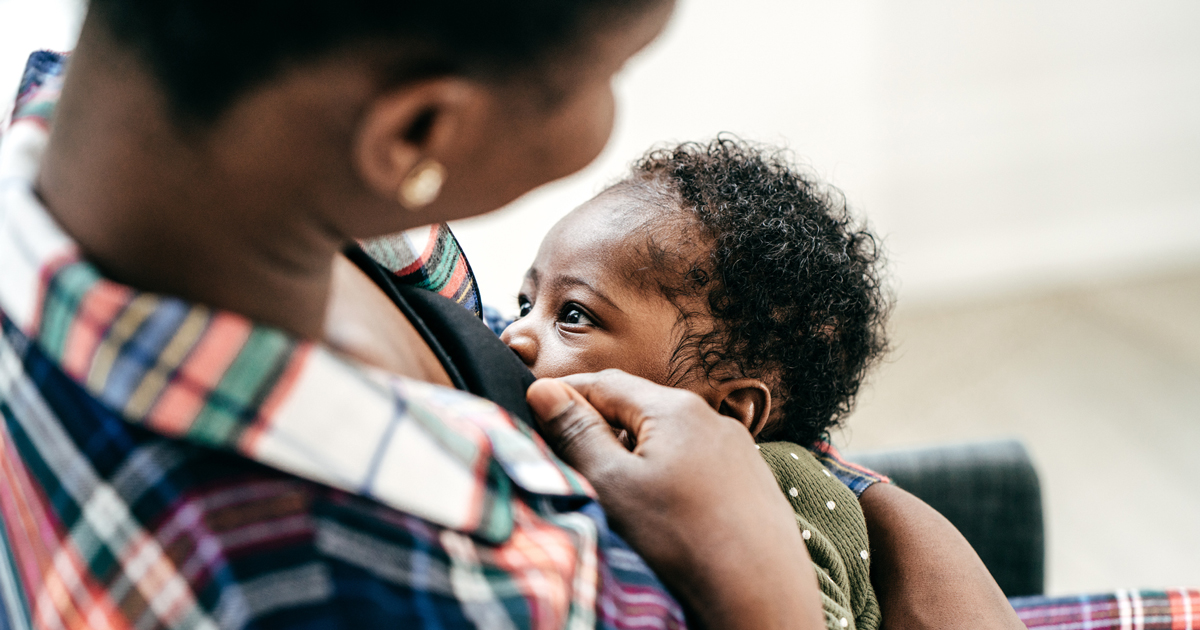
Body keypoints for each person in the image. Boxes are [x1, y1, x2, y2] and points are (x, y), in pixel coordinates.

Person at [0, 1, 1026, 629]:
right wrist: (761, 594)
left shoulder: (164, 185)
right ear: (418, 131)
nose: (523, 329)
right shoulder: (374, 581)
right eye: (612, 70)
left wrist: (879, 507)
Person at [500, 138, 890, 630]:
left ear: (725, 414)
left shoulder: (775, 493)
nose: (512, 334)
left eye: (573, 315)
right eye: (525, 304)